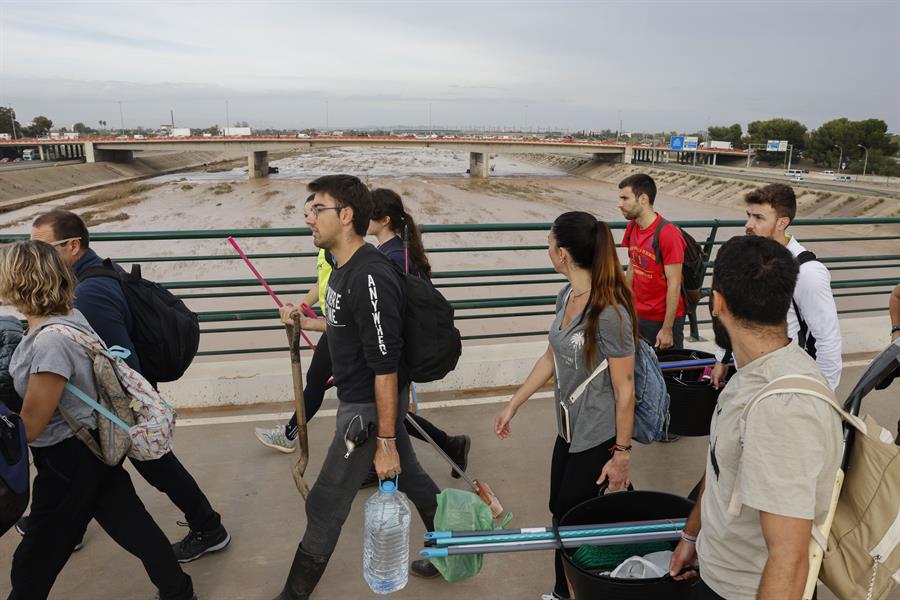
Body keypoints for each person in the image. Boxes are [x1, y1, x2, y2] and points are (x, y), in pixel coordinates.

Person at [272, 175, 442, 600]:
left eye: (318, 209)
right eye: (309, 209)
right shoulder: (341, 268)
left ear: (346, 217)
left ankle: (292, 596)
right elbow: (346, 325)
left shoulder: (369, 275)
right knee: (416, 480)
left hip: (367, 408)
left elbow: (384, 366)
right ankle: (450, 550)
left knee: (325, 504)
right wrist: (305, 321)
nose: (307, 217)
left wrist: (383, 440)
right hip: (366, 401)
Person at [28, 209, 229, 563]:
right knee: (100, 473)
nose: (35, 258)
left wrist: (127, 415)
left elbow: (122, 359)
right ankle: (68, 530)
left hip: (124, 402)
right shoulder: (89, 275)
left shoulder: (90, 292)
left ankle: (209, 527)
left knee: (155, 466)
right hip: (118, 401)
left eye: (42, 249)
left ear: (73, 246)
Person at [1, 240, 197, 600]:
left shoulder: (50, 344)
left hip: (66, 459)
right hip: (93, 445)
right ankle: (178, 591)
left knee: (35, 558)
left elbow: (31, 425)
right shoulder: (70, 318)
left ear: (17, 282)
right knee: (132, 525)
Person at [667, 235, 843, 600]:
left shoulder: (784, 408)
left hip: (744, 590)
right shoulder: (750, 374)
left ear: (717, 303)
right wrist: (692, 536)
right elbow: (722, 464)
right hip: (714, 570)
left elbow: (789, 559)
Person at [257, 190, 471, 479]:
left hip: (370, 344)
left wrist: (315, 324)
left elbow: (375, 319)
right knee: (381, 411)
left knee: (381, 411)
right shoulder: (383, 253)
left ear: (383, 220)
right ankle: (432, 449)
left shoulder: (389, 261)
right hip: (356, 338)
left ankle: (431, 448)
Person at [495, 212, 637, 600]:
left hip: (598, 435)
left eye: (548, 243)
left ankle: (580, 590)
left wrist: (621, 455)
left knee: (576, 522)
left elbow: (626, 390)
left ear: (562, 254)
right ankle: (563, 592)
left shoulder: (610, 313)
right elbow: (550, 358)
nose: (547, 249)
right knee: (561, 512)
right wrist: (514, 405)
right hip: (569, 430)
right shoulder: (567, 297)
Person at [711, 184, 842, 390]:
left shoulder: (808, 272)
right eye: (749, 215)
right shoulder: (749, 257)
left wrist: (824, 394)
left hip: (786, 381)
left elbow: (828, 340)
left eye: (759, 218)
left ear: (782, 222)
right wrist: (722, 358)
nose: (749, 224)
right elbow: (736, 315)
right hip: (747, 374)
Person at [255, 195, 336, 452]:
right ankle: (446, 442)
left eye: (315, 212)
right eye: (305, 214)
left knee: (319, 380)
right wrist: (302, 307)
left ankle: (289, 435)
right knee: (323, 381)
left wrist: (312, 323)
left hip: (338, 329)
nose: (309, 219)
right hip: (334, 327)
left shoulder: (336, 250)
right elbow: (321, 283)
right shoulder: (325, 248)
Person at [617, 173, 686, 350]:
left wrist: (667, 329)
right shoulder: (632, 227)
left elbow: (675, 283)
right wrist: (623, 305)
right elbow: (632, 267)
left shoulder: (667, 233)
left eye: (625, 198)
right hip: (638, 314)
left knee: (665, 372)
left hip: (661, 320)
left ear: (643, 199)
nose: (620, 204)